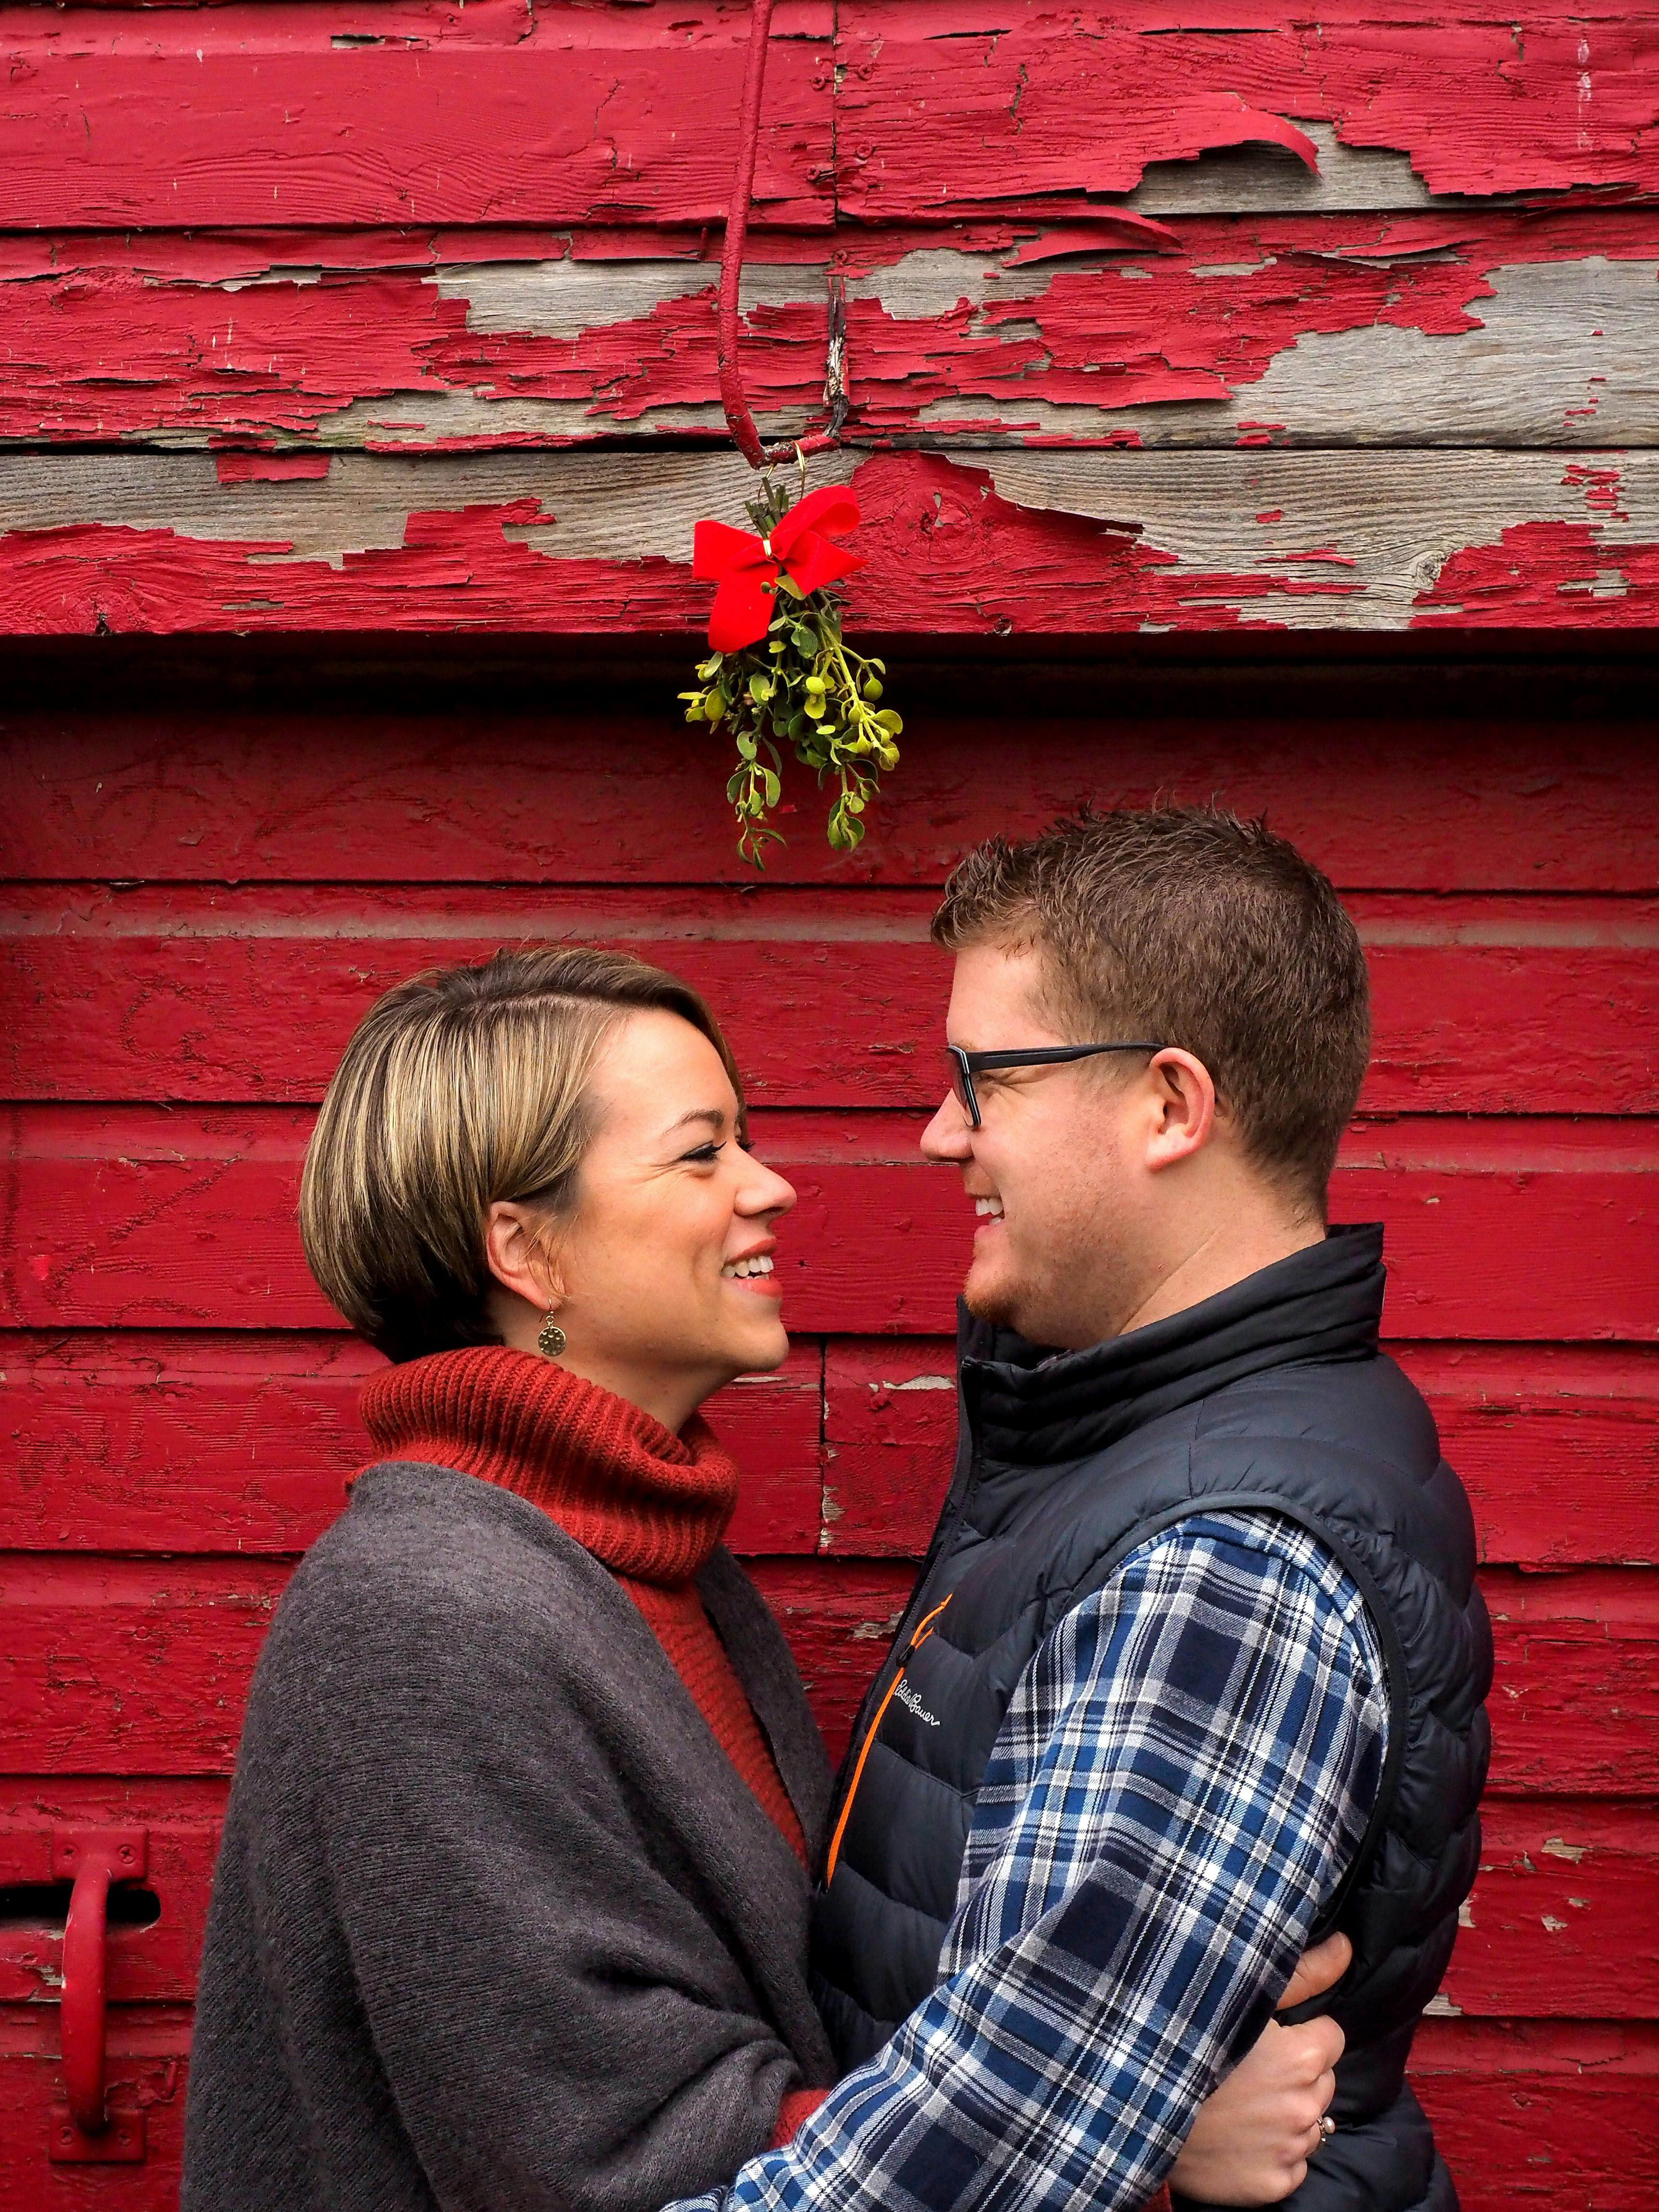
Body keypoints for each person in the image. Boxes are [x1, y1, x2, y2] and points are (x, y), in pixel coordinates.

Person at [182, 944, 1346, 2212]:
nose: (772, 1187)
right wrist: (1142, 2143)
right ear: (525, 1248)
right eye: (703, 1154)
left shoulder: (645, 1560)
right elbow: (599, 2163)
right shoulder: (423, 1617)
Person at [666, 810, 1492, 2212]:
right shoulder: (1125, 1448)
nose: (943, 1135)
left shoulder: (1222, 1565)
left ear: (1172, 1105)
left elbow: (974, 2171)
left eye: (984, 1079)